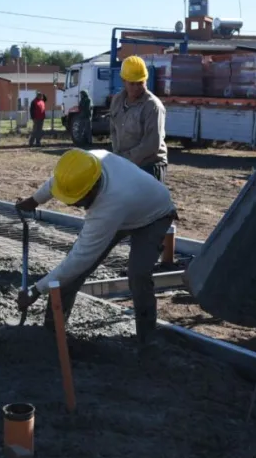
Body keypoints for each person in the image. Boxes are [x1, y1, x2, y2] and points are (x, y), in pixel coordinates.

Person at [16, 148, 177, 351]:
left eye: (75, 201)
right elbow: (60, 182)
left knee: (138, 274)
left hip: (155, 214)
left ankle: (147, 338)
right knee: (71, 276)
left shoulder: (108, 207)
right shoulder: (85, 165)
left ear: (90, 192)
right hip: (129, 205)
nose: (72, 204)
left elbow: (80, 259)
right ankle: (51, 332)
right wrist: (35, 200)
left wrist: (36, 290)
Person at [109, 56, 168, 182]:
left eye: (140, 82)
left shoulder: (152, 106)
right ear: (123, 80)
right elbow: (113, 130)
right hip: (125, 164)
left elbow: (151, 144)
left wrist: (125, 159)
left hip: (149, 166)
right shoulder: (117, 101)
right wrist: (117, 155)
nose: (136, 87)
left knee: (146, 202)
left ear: (146, 80)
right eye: (132, 83)